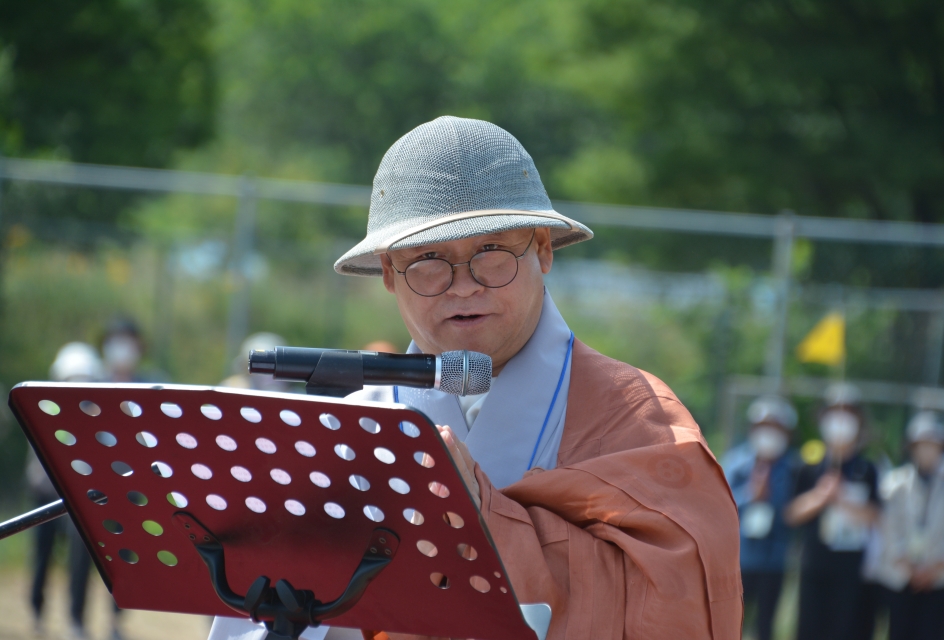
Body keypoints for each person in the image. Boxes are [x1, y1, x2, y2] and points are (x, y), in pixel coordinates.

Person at [209, 116, 742, 640]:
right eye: (429, 260)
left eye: (491, 253)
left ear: (543, 250)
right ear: (391, 275)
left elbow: (681, 600)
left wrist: (478, 514)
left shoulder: (636, 416)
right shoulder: (355, 425)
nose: (463, 287)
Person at [785, 383, 880, 640]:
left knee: (847, 629)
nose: (840, 421)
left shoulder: (867, 468)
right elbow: (792, 514)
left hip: (852, 568)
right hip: (814, 564)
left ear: (858, 421)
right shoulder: (809, 467)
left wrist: (843, 499)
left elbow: (876, 516)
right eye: (834, 413)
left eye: (847, 413)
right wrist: (821, 496)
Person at [27, 343, 104, 640]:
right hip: (46, 496)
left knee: (80, 558)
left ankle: (76, 619)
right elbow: (36, 468)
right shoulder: (44, 410)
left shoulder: (96, 417)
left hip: (79, 500)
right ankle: (36, 609)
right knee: (41, 555)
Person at [873, 411, 944, 640]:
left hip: (940, 580)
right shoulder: (895, 484)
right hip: (901, 579)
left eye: (933, 444)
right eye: (922, 444)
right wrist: (908, 567)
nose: (927, 450)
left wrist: (935, 568)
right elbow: (890, 528)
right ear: (911, 447)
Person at [722, 395, 799, 640]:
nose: (769, 434)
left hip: (774, 560)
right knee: (731, 622)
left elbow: (793, 511)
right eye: (764, 428)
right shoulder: (735, 462)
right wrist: (751, 496)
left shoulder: (794, 467)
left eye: (775, 429)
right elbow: (722, 505)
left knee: (765, 624)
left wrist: (771, 499)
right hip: (738, 559)